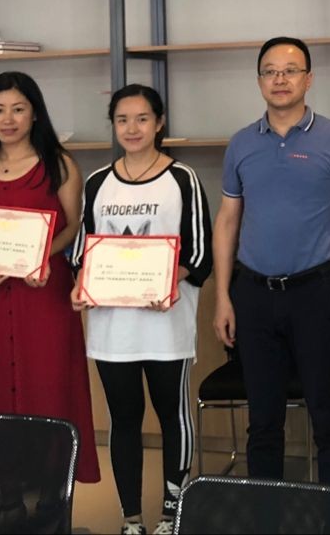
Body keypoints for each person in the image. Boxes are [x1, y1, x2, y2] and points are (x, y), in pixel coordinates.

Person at [212, 36, 330, 486]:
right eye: (270, 71)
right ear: (259, 80)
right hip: (254, 294)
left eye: (290, 70)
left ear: (309, 78)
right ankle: (269, 512)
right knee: (263, 422)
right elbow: (227, 221)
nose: (280, 79)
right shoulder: (242, 143)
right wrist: (223, 296)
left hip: (315, 293)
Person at [71, 84, 213, 535]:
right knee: (124, 419)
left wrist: (168, 278)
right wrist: (80, 285)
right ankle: (130, 518)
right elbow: (82, 254)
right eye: (122, 120)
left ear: (159, 122)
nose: (132, 128)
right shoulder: (97, 182)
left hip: (166, 325)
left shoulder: (182, 179)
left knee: (173, 416)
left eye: (142, 119)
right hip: (113, 328)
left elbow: (200, 255)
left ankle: (173, 513)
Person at [0, 71, 100, 485]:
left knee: (48, 385)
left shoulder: (60, 165)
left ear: (35, 114)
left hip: (43, 292)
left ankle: (49, 489)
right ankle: (2, 494)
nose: (8, 119)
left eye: (18, 109)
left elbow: (73, 226)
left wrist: (40, 255)